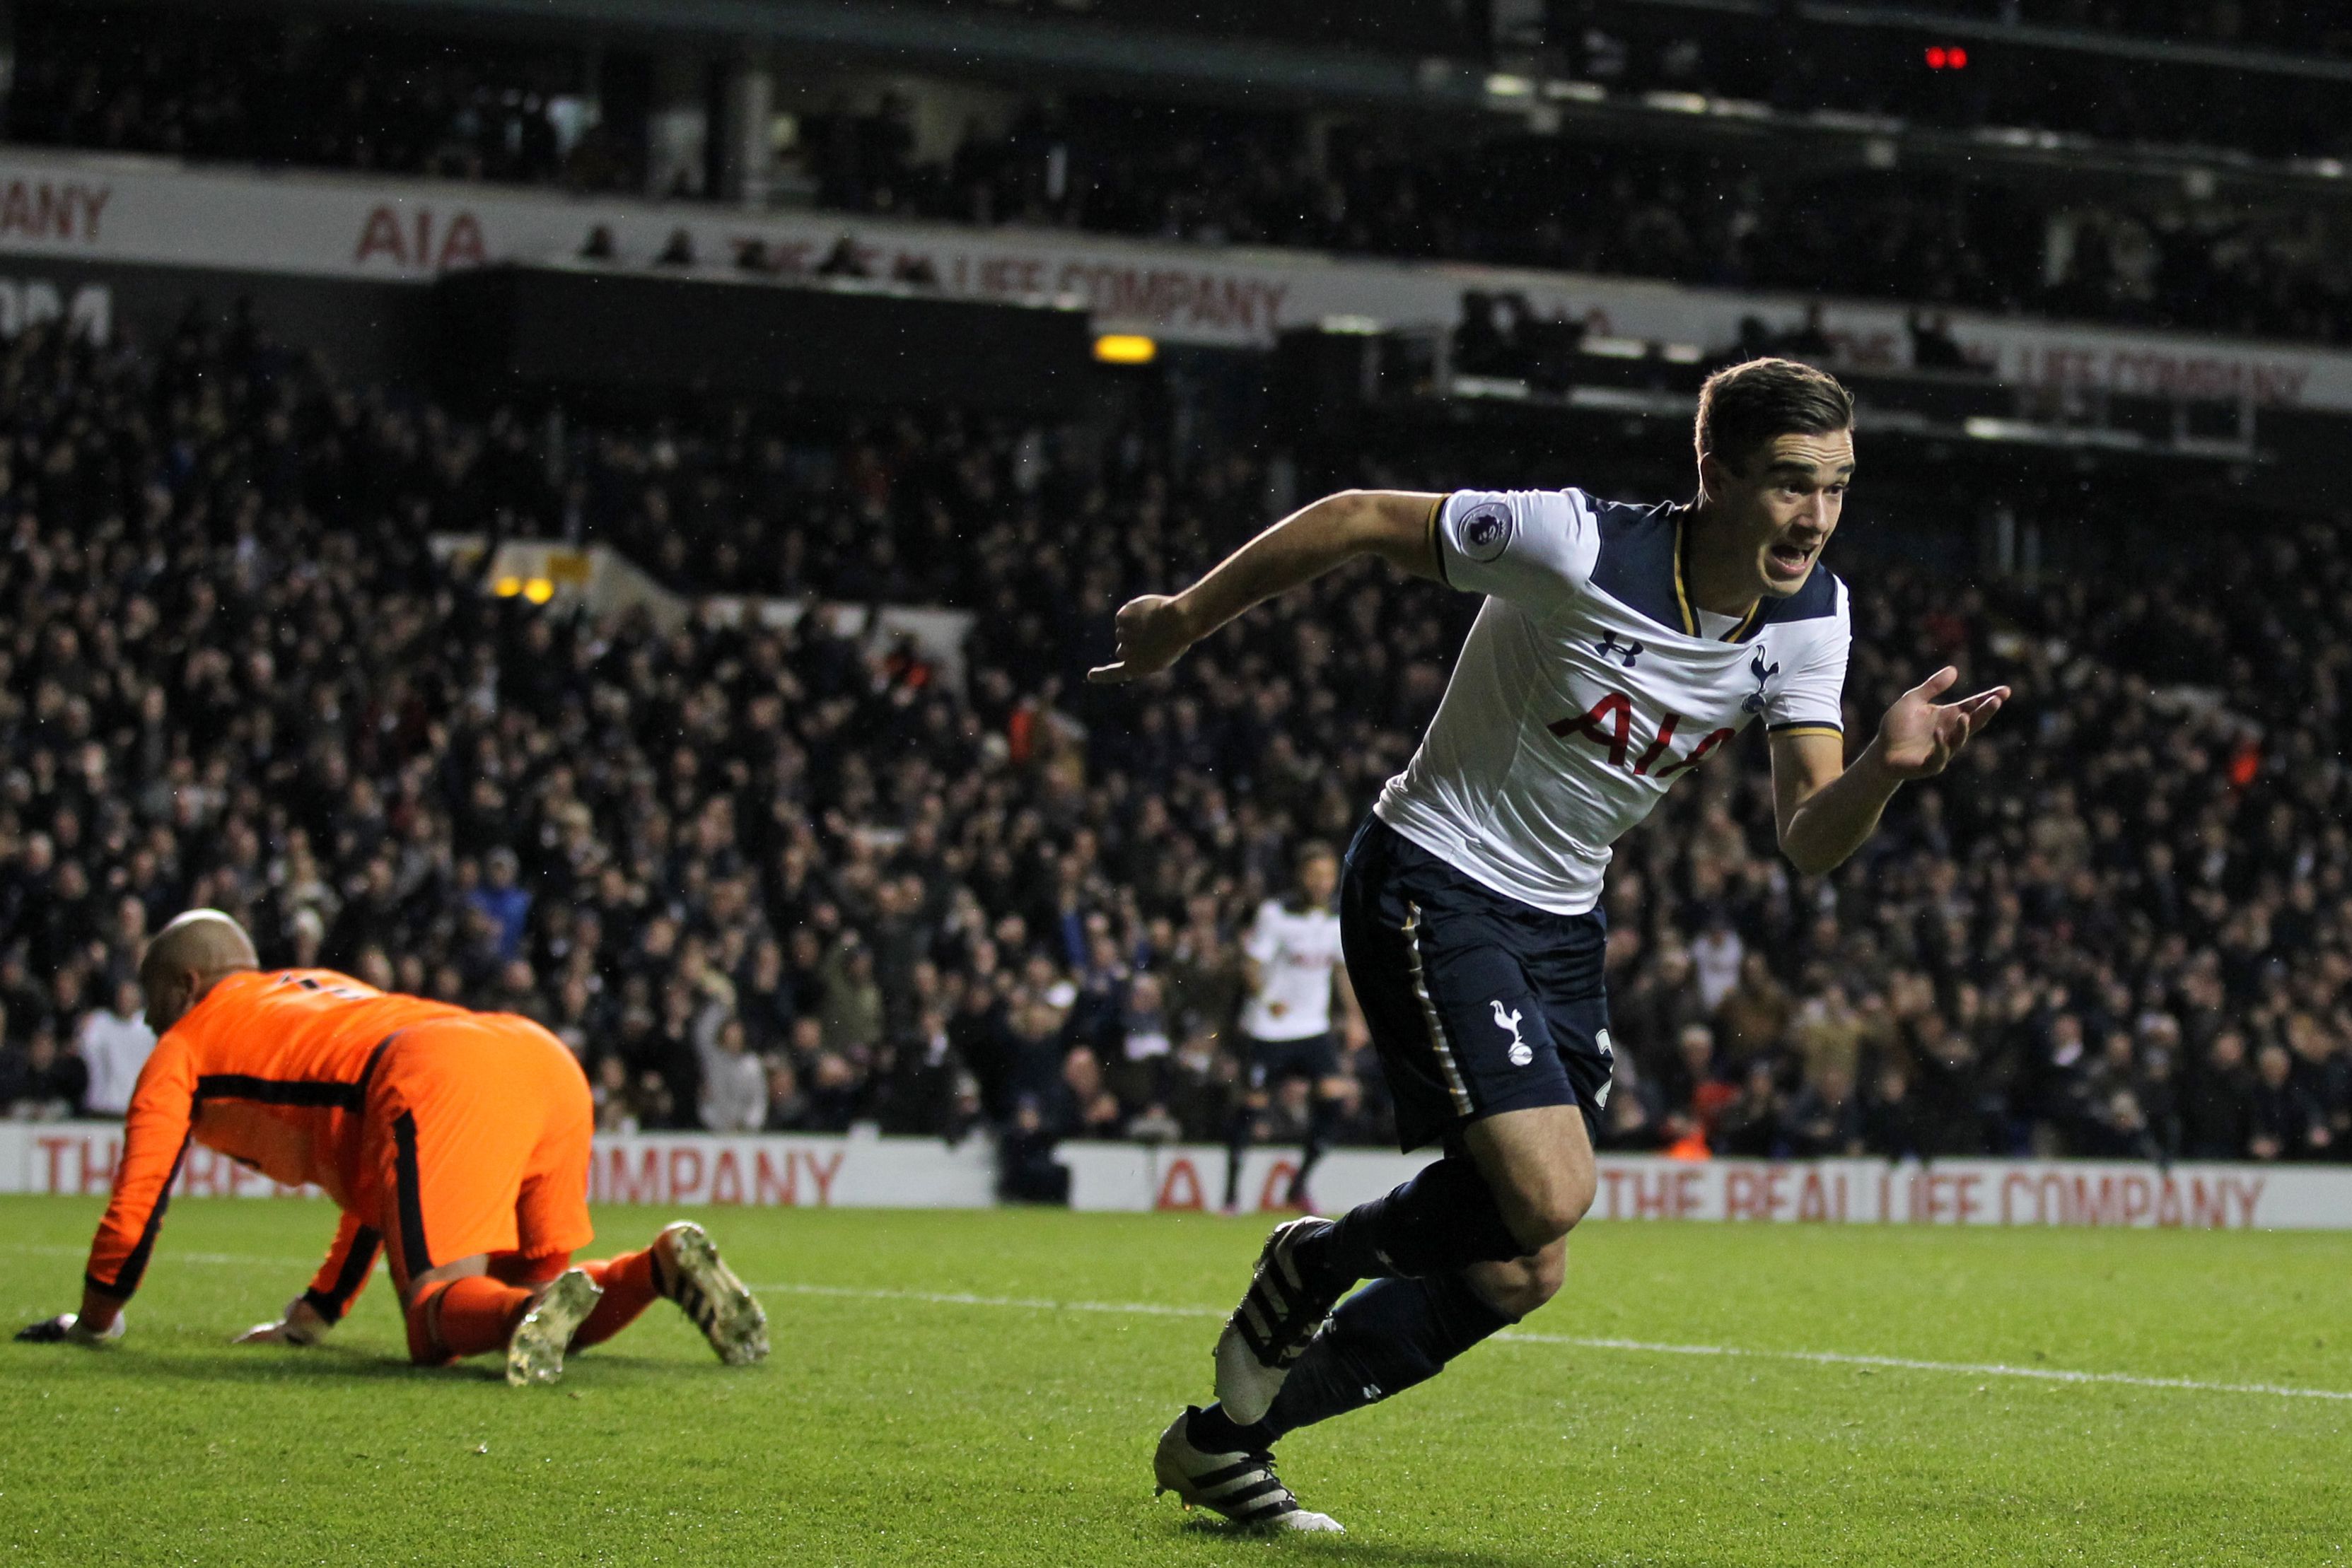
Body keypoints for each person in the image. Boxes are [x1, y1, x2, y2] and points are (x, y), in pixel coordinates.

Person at [1092, 358, 2006, 1531]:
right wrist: (1178, 622)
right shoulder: (1576, 544)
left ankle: (1226, 1443)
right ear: (1714, 471)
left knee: (1526, 1260)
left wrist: (1883, 766)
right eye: (1789, 483)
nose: (1814, 516)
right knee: (1550, 1190)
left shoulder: (1813, 616)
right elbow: (1357, 518)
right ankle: (1314, 1266)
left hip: (1561, 919)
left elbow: (1808, 836)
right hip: (1433, 870)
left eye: (1834, 486)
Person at [16, 911, 770, 1387]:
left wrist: (95, 1316)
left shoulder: (183, 1043)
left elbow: (138, 1199)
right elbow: (375, 1174)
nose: (147, 1021)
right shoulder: (313, 989)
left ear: (185, 984)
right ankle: (657, 1267)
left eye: (151, 999)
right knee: (517, 1305)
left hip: (436, 1074)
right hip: (535, 1059)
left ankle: (548, 1302)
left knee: (433, 1322)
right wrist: (316, 1312)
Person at [1223, 841, 1359, 1212]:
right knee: (1253, 1104)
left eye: (1328, 875)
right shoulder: (1275, 914)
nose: (1322, 882)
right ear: (1301, 876)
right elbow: (1250, 965)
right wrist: (1268, 1000)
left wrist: (1354, 1018)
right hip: (1269, 1029)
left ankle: (1298, 1186)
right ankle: (1231, 1195)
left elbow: (1340, 969)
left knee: (1334, 1095)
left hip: (1312, 1028)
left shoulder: (1336, 917)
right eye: (1315, 874)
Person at [75, 976, 158, 1118]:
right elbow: (83, 1046)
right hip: (103, 1106)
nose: (125, 1002)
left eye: (129, 997)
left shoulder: (149, 1026)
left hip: (137, 1106)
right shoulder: (99, 1022)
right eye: (122, 997)